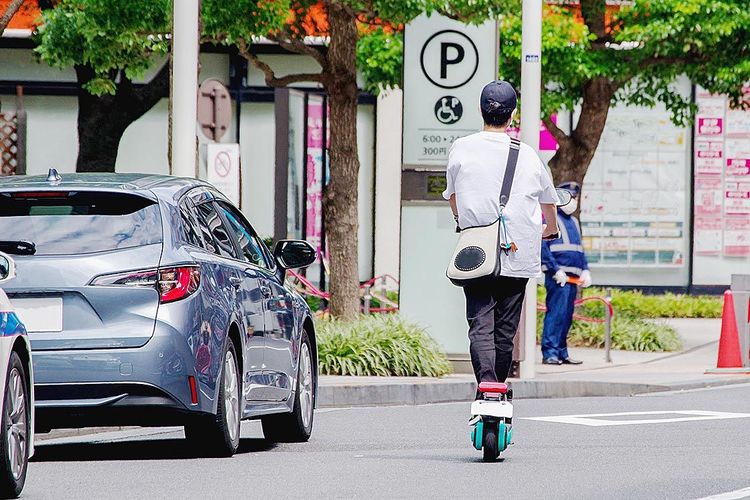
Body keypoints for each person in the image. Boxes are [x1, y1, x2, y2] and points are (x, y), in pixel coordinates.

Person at [443, 80, 560, 392]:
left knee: (480, 322)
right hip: (518, 250)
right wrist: (551, 228)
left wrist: (462, 219)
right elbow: (548, 201)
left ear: (481, 110)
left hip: (477, 249)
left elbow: (453, 196)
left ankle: (486, 385)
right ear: (513, 114)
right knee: (506, 328)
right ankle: (498, 387)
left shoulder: (461, 148)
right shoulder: (529, 155)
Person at [540, 181, 592, 365]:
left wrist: (585, 269)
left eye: (575, 198)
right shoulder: (551, 218)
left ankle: (562, 351)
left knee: (566, 316)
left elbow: (580, 249)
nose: (574, 201)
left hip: (573, 278)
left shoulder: (574, 222)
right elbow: (543, 246)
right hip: (558, 276)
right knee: (556, 314)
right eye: (571, 197)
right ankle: (550, 352)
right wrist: (554, 269)